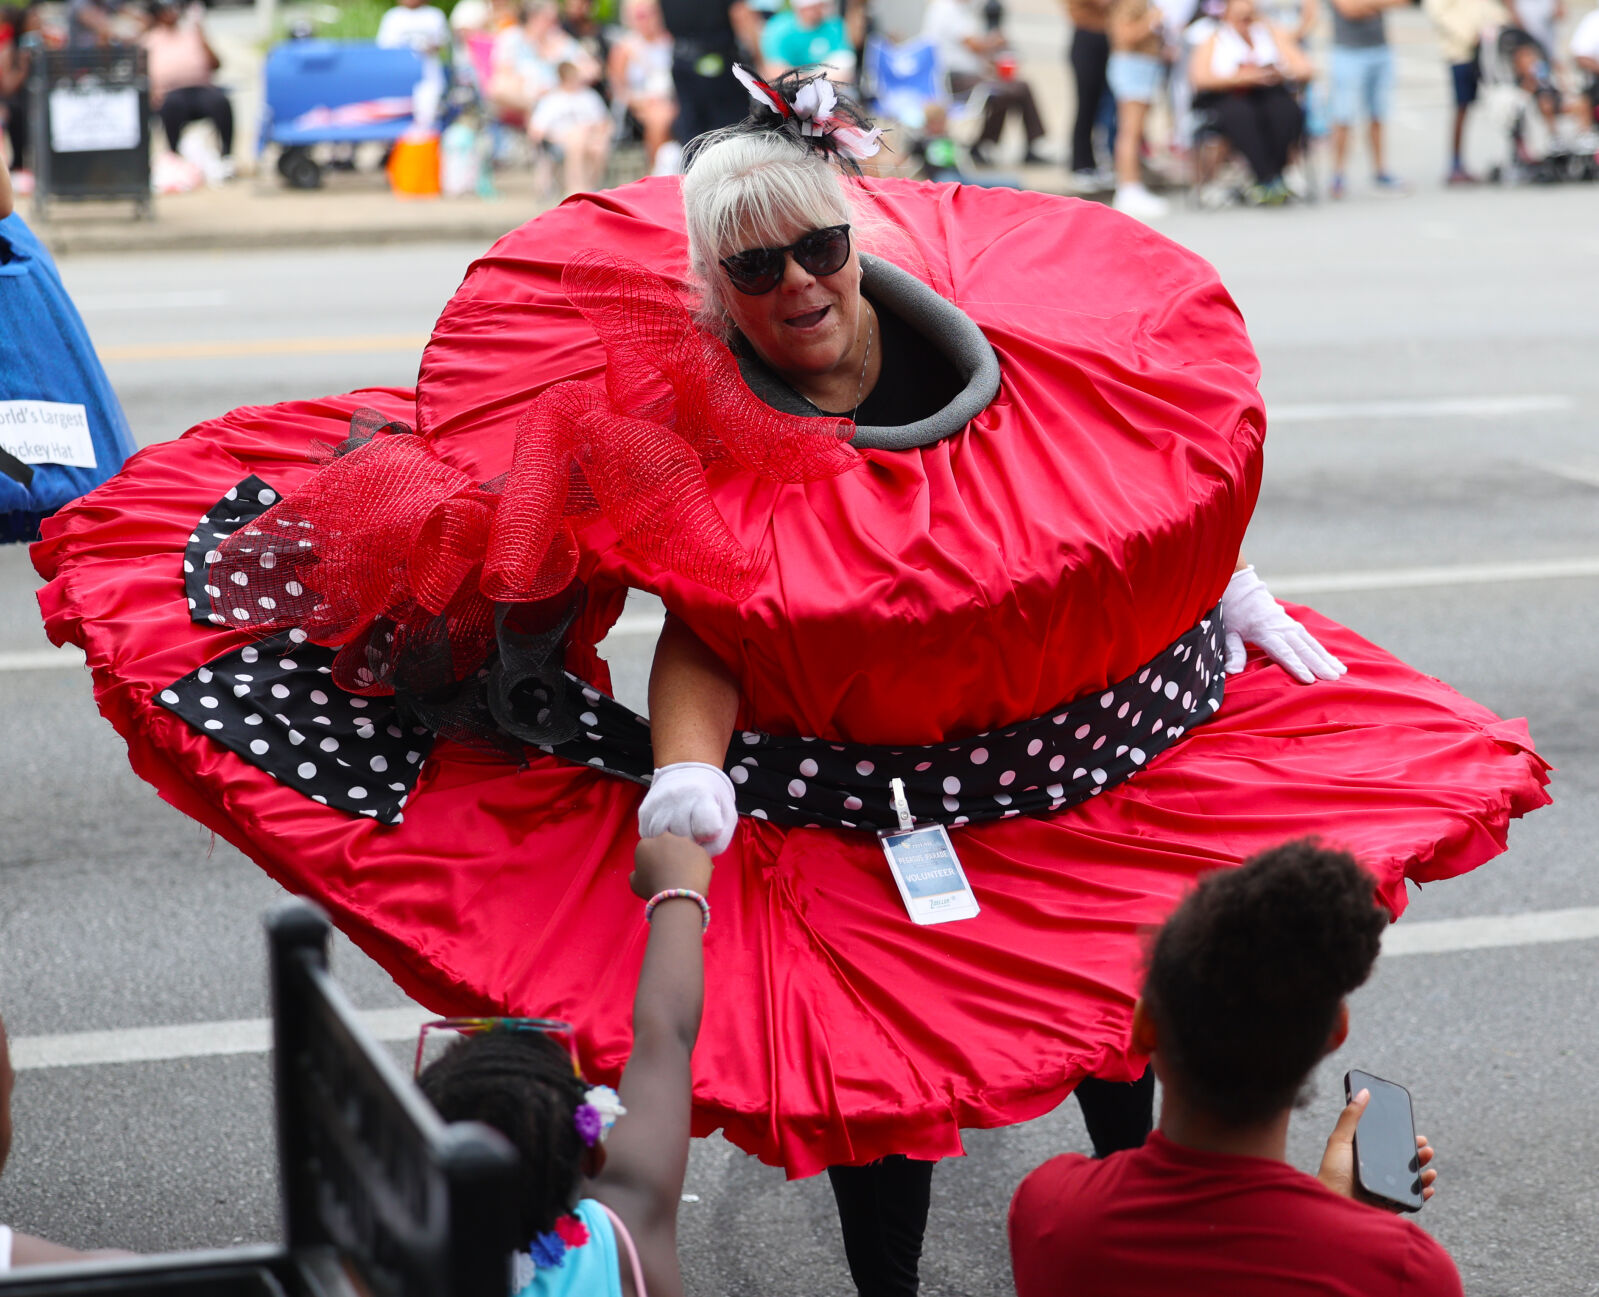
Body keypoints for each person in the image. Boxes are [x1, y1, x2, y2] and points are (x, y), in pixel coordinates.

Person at [32, 59, 1548, 1297]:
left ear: (857, 241)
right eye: (755, 268)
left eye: (819, 247)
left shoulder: (987, 357)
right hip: (860, 817)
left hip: (1079, 782)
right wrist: (686, 777)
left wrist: (1222, 585)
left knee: (1118, 1032)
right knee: (883, 1101)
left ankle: (1140, 1191)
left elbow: (1093, 485)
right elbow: (704, 626)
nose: (797, 284)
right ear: (716, 288)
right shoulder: (691, 415)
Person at [1010, 840, 1460, 1297]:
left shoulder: (1050, 1206)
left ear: (1145, 1028)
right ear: (1334, 1034)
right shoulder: (1407, 1273)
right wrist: (1338, 1212)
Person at [419, 833, 710, 1297]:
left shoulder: (382, 1268)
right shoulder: (624, 1231)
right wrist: (679, 888)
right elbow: (666, 1036)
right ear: (593, 1154)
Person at [1191, 0, 1313, 202]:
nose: (1245, 22)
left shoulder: (1270, 34)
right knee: (1240, 115)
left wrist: (1277, 72)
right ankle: (1265, 176)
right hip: (1229, 95)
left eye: (1249, 17)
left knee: (1286, 112)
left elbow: (1304, 68)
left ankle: (1274, 173)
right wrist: (1240, 77)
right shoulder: (1214, 39)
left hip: (1267, 93)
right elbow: (1200, 78)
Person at [922, 0, 1048, 166]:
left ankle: (1028, 144)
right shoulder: (946, 9)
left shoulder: (961, 10)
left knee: (1018, 87)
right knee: (1004, 90)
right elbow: (975, 45)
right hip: (954, 79)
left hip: (969, 75)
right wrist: (996, 40)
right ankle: (984, 145)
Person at [139, 1, 233, 177]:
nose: (172, 13)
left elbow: (216, 64)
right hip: (169, 94)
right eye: (167, 9)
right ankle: (174, 157)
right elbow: (141, 73)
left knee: (220, 102)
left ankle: (226, 156)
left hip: (200, 89)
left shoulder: (192, 33)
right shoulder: (150, 39)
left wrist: (202, 34)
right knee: (172, 105)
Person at [1325, 0, 1409, 196]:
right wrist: (1378, 4)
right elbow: (1349, 9)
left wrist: (1366, 5)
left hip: (1380, 49)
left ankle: (1380, 170)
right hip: (1348, 52)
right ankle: (1337, 174)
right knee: (1343, 115)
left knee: (1378, 113)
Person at [659, 0, 764, 144]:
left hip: (682, 60)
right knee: (733, 129)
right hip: (718, 62)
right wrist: (759, 61)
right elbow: (741, 15)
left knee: (692, 131)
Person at [1424, 0, 1506, 183]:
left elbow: (1489, 7)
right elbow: (1440, 15)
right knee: (1462, 106)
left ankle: (1516, 154)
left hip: (1488, 49)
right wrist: (1470, 36)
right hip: (1460, 52)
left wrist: (1500, 26)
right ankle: (1456, 164)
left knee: (1506, 99)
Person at [1107, 0, 1171, 217]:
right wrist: (1152, 20)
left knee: (1137, 132)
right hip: (1133, 66)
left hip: (1144, 65)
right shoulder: (1130, 4)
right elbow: (1124, 36)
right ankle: (1128, 187)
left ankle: (1134, 184)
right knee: (1130, 132)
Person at [491, 1, 599, 128]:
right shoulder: (513, 39)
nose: (555, 24)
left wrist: (564, 82)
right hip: (529, 99)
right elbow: (502, 79)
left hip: (562, 99)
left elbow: (592, 69)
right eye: (550, 20)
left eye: (555, 20)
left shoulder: (561, 41)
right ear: (533, 17)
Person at [608, 0, 677, 173]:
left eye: (651, 13)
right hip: (639, 105)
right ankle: (657, 172)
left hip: (672, 99)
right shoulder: (624, 48)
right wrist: (642, 100)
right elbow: (617, 89)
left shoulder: (670, 41)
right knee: (659, 117)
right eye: (641, 15)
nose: (647, 19)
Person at [531, 59, 612, 194]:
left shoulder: (589, 96)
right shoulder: (551, 100)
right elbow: (537, 130)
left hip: (589, 138)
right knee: (576, 138)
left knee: (596, 145)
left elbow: (603, 123)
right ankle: (576, 187)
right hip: (561, 141)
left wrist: (592, 131)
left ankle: (589, 186)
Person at [376, 0, 452, 130]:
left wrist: (427, 47)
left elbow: (442, 43)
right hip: (398, 77)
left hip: (428, 76)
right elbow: (384, 48)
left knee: (427, 112)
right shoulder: (393, 17)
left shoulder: (434, 15)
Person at [762, 0, 855, 79]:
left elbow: (844, 63)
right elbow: (775, 70)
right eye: (814, 7)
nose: (820, 10)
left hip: (826, 85)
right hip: (793, 89)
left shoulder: (834, 25)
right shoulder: (779, 28)